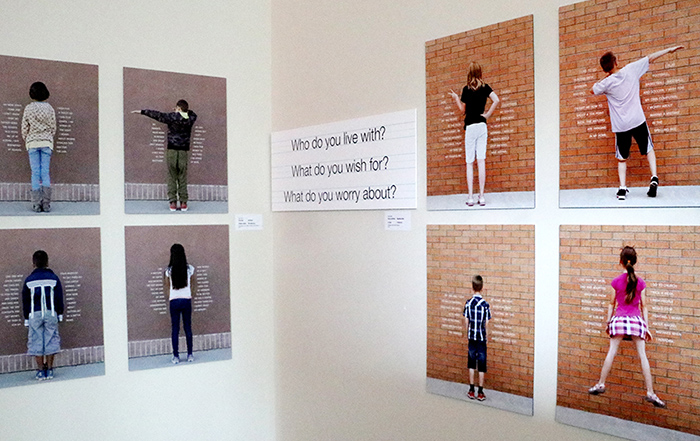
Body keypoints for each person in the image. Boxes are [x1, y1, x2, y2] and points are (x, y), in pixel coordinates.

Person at [591, 45, 684, 200]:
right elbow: (650, 57)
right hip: (637, 120)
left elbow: (592, 89)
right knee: (648, 148)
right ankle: (654, 177)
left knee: (622, 158)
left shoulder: (606, 83)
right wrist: (668, 50)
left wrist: (607, 76)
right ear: (616, 62)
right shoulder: (631, 69)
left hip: (621, 125)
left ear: (604, 69)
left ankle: (622, 189)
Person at [588, 246, 665, 408]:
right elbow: (644, 306)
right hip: (636, 321)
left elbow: (611, 304)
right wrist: (646, 327)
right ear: (634, 261)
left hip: (619, 320)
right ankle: (650, 392)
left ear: (621, 261)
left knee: (611, 351)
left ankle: (601, 383)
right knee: (643, 356)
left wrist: (609, 323)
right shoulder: (640, 282)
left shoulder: (616, 281)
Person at [449, 62, 500, 207]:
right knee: (481, 161)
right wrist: (487, 114)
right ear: (480, 72)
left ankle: (470, 197)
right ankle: (481, 197)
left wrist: (456, 98)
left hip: (471, 127)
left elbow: (462, 110)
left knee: (470, 162)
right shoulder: (485, 87)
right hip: (482, 126)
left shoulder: (466, 89)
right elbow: (496, 100)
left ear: (469, 73)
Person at [131, 100, 197, 211]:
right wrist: (184, 111)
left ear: (179, 108)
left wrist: (142, 111)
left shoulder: (171, 117)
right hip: (183, 152)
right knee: (182, 176)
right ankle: (183, 203)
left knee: (172, 176)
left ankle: (172, 202)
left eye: (176, 108)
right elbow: (193, 114)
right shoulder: (191, 119)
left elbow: (157, 115)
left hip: (172, 150)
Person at [21, 250, 64, 380]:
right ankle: (49, 370)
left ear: (33, 263)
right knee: (51, 338)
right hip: (51, 312)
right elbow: (58, 297)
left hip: (34, 313)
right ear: (47, 262)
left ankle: (40, 371)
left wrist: (26, 318)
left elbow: (25, 300)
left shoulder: (29, 280)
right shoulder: (53, 278)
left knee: (36, 340)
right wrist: (60, 314)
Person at [21, 82, 56, 212]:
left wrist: (27, 138)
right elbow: (53, 127)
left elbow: (24, 127)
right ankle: (46, 204)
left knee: (35, 173)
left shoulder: (28, 108)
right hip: (46, 142)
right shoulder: (49, 108)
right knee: (45, 172)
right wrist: (48, 137)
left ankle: (36, 204)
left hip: (32, 143)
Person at [164, 243, 195, 364]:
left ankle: (176, 356)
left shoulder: (169, 271)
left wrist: (171, 296)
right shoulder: (190, 269)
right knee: (188, 328)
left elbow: (167, 287)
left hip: (174, 301)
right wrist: (190, 295)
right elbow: (194, 284)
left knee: (175, 329)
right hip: (186, 299)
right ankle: (190, 355)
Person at [463, 275, 491, 401]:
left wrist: (468, 333)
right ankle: (480, 392)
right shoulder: (485, 305)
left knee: (471, 363)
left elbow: (466, 321)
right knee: (481, 364)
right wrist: (487, 336)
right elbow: (486, 324)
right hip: (481, 339)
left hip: (472, 338)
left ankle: (471, 390)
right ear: (482, 287)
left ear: (472, 287)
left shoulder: (468, 304)